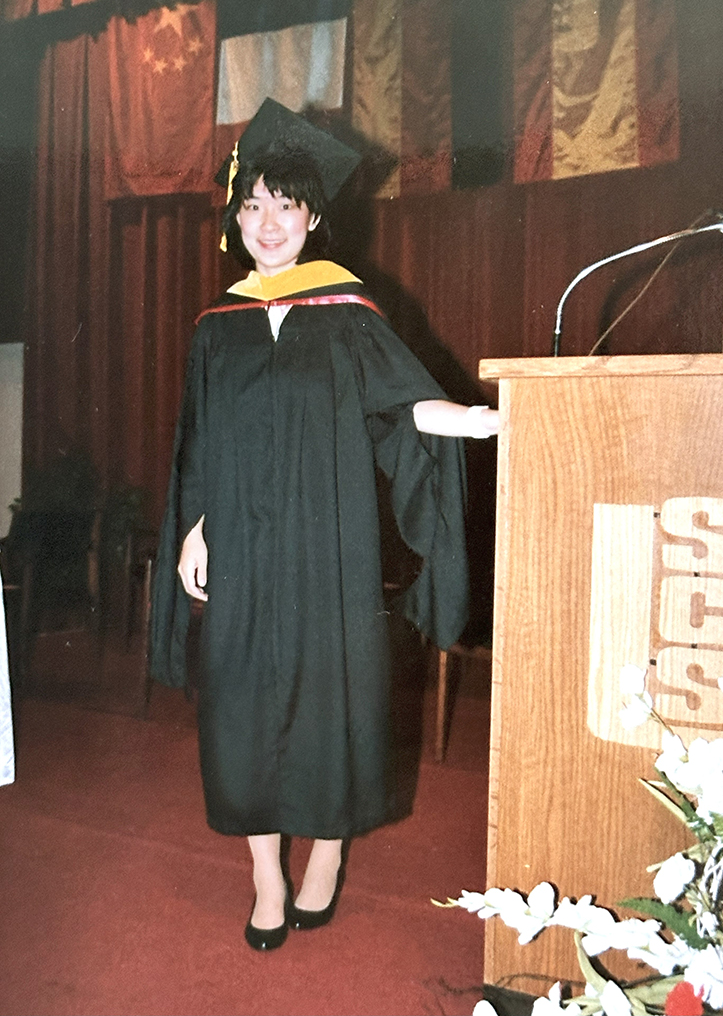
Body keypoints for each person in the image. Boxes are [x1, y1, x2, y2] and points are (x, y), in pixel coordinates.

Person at [149, 99, 499, 952]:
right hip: (243, 542)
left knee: (331, 701)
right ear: (236, 218)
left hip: (327, 547)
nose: (269, 223)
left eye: (287, 205)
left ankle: (328, 854)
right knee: (237, 702)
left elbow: (408, 406)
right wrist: (196, 528)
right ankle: (266, 873)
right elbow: (197, 439)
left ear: (313, 216)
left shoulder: (347, 311)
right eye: (254, 205)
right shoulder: (215, 328)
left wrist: (481, 421)